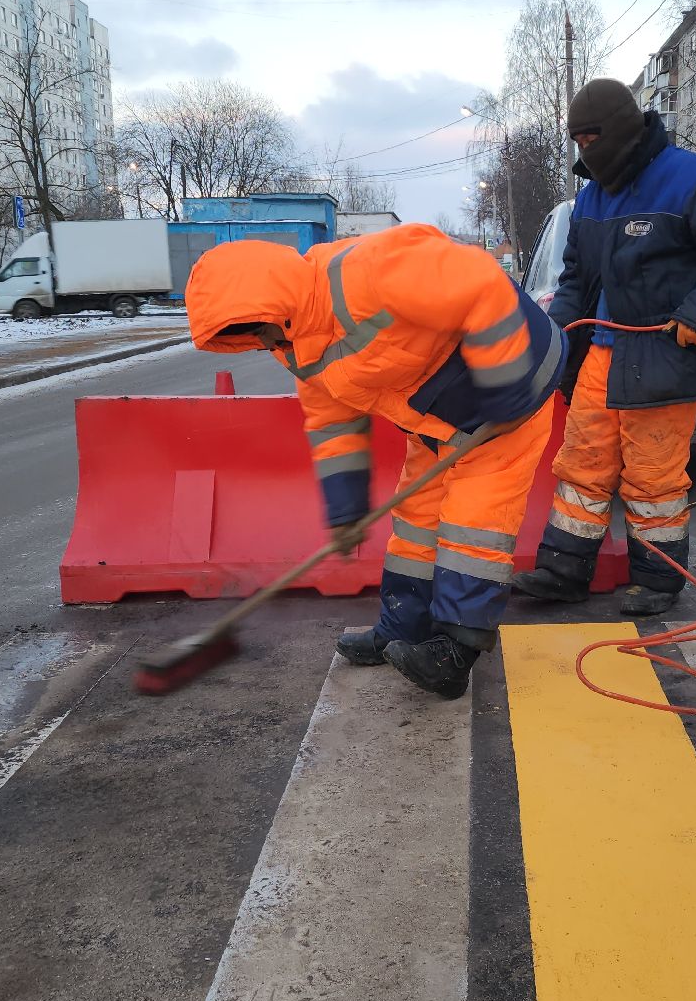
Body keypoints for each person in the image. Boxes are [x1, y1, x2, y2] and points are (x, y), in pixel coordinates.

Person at [186, 225, 564, 700]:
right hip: (436, 422)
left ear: (273, 301)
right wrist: (346, 510)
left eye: (254, 329)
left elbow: (481, 282)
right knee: (416, 526)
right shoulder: (292, 345)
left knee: (474, 527)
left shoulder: (365, 272)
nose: (259, 343)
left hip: (510, 396)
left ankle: (454, 651)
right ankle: (403, 630)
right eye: (246, 337)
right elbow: (332, 424)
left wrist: (508, 387)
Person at [511, 78, 696, 617]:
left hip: (663, 352)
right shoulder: (589, 199)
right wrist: (558, 339)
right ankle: (564, 570)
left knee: (653, 474)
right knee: (582, 463)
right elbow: (577, 278)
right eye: (577, 141)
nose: (586, 151)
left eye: (592, 138)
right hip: (600, 354)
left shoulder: (690, 180)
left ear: (624, 131)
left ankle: (658, 578)